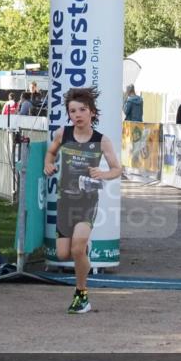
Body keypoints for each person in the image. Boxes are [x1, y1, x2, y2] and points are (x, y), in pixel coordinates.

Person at [44, 87, 123, 314]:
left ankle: (82, 294)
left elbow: (117, 169)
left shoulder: (101, 141)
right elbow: (50, 153)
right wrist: (48, 164)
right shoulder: (63, 134)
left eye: (82, 110)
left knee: (77, 249)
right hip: (64, 202)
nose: (77, 114)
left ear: (92, 112)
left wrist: (103, 174)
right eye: (72, 111)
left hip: (87, 201)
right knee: (62, 254)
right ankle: (82, 248)